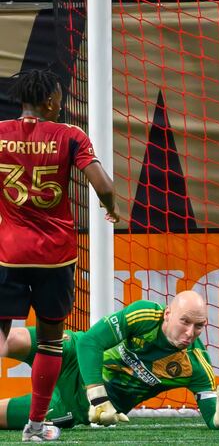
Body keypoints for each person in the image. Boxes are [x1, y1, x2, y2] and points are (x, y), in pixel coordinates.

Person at [0, 68, 119, 441]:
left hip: (7, 254)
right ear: (51, 101)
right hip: (54, 256)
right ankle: (36, 425)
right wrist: (111, 207)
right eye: (60, 97)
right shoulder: (70, 136)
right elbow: (102, 184)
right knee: (51, 340)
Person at [0, 290, 219, 441]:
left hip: (73, 404)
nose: (190, 332)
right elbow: (90, 343)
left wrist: (217, 418)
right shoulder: (144, 315)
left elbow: (210, 410)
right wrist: (99, 397)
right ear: (167, 314)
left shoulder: (194, 365)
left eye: (198, 326)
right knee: (12, 338)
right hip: (76, 357)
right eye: (184, 321)